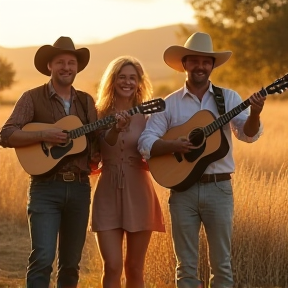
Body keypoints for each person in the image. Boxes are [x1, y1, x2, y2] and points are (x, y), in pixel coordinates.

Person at [138, 32, 266, 288]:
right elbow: (145, 142)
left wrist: (255, 113)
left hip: (219, 189)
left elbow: (248, 135)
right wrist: (173, 145)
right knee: (185, 268)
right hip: (182, 191)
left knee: (222, 266)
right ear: (184, 64)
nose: (200, 66)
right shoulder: (169, 103)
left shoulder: (227, 98)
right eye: (194, 61)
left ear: (212, 65)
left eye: (206, 61)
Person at [0, 36, 98, 288]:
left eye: (71, 63)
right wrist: (43, 135)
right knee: (42, 258)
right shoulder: (32, 97)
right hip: (45, 188)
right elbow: (7, 134)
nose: (67, 67)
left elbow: (97, 142)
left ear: (77, 67)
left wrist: (117, 128)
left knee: (70, 263)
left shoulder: (86, 101)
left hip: (79, 188)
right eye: (61, 62)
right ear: (49, 67)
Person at [90, 55, 165, 288]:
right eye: (122, 77)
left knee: (134, 267)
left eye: (133, 78)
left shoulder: (149, 116)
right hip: (107, 192)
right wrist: (114, 129)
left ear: (140, 82)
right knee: (111, 266)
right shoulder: (97, 113)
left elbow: (158, 151)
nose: (127, 82)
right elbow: (99, 147)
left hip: (139, 192)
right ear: (112, 81)